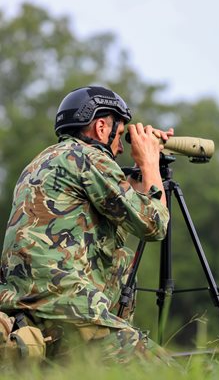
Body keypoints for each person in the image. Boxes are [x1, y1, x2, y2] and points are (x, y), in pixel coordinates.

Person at [0, 86, 174, 364]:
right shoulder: (88, 157)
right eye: (120, 135)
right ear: (101, 127)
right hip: (69, 309)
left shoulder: (40, 162)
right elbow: (153, 225)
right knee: (169, 369)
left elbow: (109, 208)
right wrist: (150, 162)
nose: (120, 147)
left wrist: (141, 176)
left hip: (25, 313)